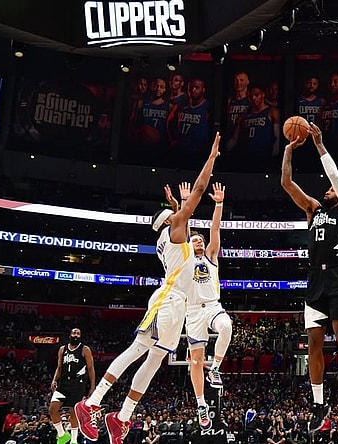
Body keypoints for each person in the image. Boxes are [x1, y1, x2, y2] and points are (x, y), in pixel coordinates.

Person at [74, 133, 222, 444]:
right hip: (168, 299)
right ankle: (91, 403)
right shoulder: (175, 230)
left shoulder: (171, 235)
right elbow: (198, 191)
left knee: (155, 360)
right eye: (176, 215)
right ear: (170, 221)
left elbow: (181, 218)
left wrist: (175, 205)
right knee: (138, 349)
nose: (182, 216)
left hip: (179, 305)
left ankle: (122, 418)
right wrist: (210, 158)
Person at [280, 122, 338, 434]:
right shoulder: (313, 209)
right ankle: (319, 403)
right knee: (313, 342)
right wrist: (288, 150)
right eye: (326, 189)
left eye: (330, 189)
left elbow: (336, 178)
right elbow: (286, 182)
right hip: (315, 279)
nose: (327, 189)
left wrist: (318, 145)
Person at [182, 181, 234, 429]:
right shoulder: (185, 260)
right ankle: (201, 404)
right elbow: (182, 230)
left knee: (227, 327)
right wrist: (184, 203)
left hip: (212, 305)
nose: (199, 243)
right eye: (195, 241)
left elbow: (215, 229)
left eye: (201, 241)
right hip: (193, 311)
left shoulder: (211, 257)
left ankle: (215, 368)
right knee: (195, 362)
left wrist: (219, 204)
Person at [49, 328, 96, 444]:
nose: (76, 335)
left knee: (73, 412)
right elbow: (59, 367)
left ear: (80, 336)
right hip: (63, 383)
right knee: (52, 409)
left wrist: (92, 386)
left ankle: (74, 440)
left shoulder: (85, 349)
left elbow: (90, 368)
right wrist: (54, 379)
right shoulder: (62, 349)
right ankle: (62, 435)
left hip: (78, 384)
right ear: (70, 335)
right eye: (74, 333)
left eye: (78, 333)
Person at [227, 86, 280, 157]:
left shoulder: (272, 112)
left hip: (264, 156)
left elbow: (277, 137)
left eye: (256, 95)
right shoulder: (243, 116)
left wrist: (274, 156)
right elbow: (234, 139)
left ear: (263, 94)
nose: (253, 98)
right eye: (251, 96)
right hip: (245, 156)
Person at [168, 78, 211, 151]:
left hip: (198, 150)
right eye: (191, 87)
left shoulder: (207, 106)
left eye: (197, 87)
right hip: (180, 149)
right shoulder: (181, 105)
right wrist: (172, 140)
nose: (193, 90)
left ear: (203, 90)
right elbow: (170, 121)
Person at [225, 72, 250, 139]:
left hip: (245, 136)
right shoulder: (230, 100)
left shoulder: (250, 100)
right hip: (230, 135)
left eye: (241, 80)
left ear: (247, 82)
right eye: (236, 80)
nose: (238, 83)